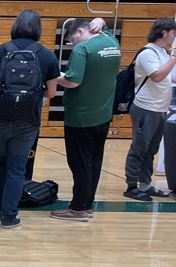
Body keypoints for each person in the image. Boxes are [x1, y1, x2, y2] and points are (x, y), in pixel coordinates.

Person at [0, 10, 61, 228]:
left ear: (15, 26)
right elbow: (52, 93)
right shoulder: (47, 55)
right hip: (28, 120)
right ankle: (9, 216)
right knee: (17, 168)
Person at [51, 16, 121, 221]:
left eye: (72, 39)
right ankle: (87, 204)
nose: (73, 44)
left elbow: (73, 81)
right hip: (103, 115)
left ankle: (78, 208)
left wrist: (53, 76)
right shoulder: (111, 42)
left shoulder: (82, 50)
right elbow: (104, 26)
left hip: (81, 117)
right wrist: (100, 20)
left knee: (80, 163)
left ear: (80, 32)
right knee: (94, 162)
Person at [123, 17, 176, 201]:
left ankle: (145, 185)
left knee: (151, 149)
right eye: (173, 32)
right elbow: (157, 76)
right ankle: (131, 186)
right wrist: (174, 59)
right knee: (139, 148)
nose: (174, 37)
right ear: (164, 32)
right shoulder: (148, 53)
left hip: (160, 109)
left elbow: (170, 77)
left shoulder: (163, 52)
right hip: (146, 108)